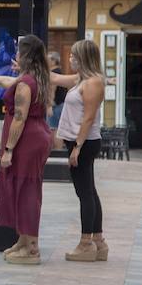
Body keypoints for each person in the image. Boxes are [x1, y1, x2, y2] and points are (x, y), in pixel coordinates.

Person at [0, 35, 53, 264]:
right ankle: (23, 240)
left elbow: (19, 118)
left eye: (18, 51)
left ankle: (32, 246)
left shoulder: (26, 84)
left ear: (25, 55)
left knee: (27, 190)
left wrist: (8, 150)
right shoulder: (34, 77)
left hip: (27, 141)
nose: (14, 54)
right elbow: (8, 82)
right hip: (34, 137)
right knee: (22, 187)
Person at [50, 40, 107, 262]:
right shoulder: (81, 79)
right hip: (78, 142)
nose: (70, 59)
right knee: (89, 191)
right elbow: (54, 78)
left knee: (84, 193)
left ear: (84, 58)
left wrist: (77, 147)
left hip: (84, 142)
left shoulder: (92, 83)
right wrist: (28, 68)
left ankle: (86, 244)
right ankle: (99, 242)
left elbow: (88, 117)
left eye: (74, 56)